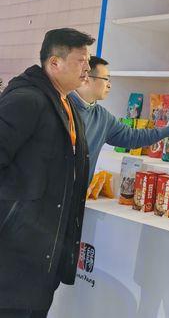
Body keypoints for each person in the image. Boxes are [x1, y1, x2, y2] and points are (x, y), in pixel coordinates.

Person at [0, 28, 94, 317]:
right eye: (81, 60)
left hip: (42, 253)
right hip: (14, 254)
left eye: (88, 61)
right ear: (55, 63)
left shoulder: (67, 105)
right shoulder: (27, 100)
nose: (88, 68)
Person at [70, 56, 169, 179]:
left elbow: (133, 137)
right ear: (87, 78)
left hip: (78, 190)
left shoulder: (102, 117)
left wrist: (168, 130)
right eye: (106, 79)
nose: (109, 85)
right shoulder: (63, 107)